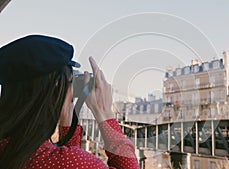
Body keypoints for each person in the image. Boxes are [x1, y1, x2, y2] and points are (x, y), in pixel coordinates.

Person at [0, 35, 139, 169]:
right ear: (55, 87)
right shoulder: (63, 161)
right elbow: (69, 162)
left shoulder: (10, 147)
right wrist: (105, 113)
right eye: (70, 81)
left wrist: (67, 115)